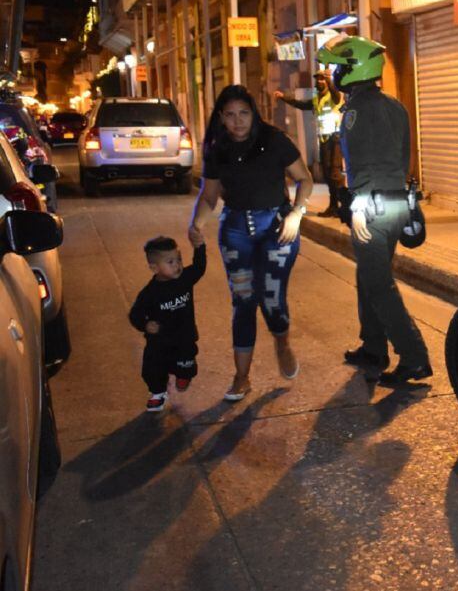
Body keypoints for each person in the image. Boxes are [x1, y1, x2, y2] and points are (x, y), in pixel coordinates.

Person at [316, 35, 431, 385]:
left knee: (378, 283)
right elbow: (402, 157)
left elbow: (363, 165)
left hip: (372, 208)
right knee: (368, 276)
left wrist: (358, 207)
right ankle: (373, 347)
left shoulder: (356, 110)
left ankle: (414, 357)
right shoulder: (395, 106)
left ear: (354, 69)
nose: (335, 72)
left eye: (339, 66)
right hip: (395, 204)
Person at [189, 85, 314, 401]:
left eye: (243, 113)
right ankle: (241, 378)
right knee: (243, 299)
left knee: (271, 298)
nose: (238, 121)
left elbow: (305, 178)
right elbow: (209, 195)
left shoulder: (274, 140)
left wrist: (297, 214)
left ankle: (282, 341)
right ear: (221, 117)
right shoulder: (217, 148)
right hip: (235, 230)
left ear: (253, 113)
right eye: (230, 115)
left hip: (277, 227)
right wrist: (197, 224)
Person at [128, 235, 206, 412]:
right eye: (170, 262)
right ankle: (157, 393)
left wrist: (199, 247)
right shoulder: (150, 293)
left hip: (184, 338)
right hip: (159, 342)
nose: (177, 265)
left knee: (186, 367)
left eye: (179, 259)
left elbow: (199, 268)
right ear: (154, 267)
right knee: (153, 369)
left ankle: (183, 374)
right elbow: (135, 314)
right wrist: (146, 324)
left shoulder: (184, 279)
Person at [275, 71, 346, 217]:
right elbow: (300, 104)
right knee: (327, 173)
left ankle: (344, 205)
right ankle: (333, 206)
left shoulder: (334, 96)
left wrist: (330, 80)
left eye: (322, 79)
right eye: (318, 79)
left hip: (335, 138)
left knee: (334, 174)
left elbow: (336, 94)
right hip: (324, 139)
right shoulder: (316, 99)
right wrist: (284, 98)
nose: (319, 82)